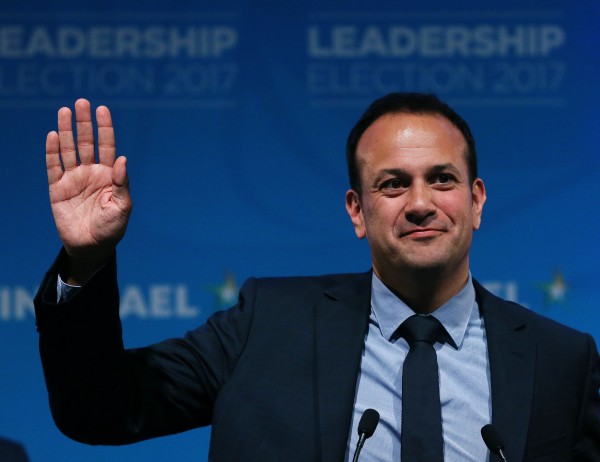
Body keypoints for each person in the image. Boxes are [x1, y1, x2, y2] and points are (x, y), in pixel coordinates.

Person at [35, 93, 600, 461]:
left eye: (443, 179)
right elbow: (100, 410)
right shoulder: (266, 323)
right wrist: (84, 263)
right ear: (357, 211)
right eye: (393, 184)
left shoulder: (562, 361)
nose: (421, 203)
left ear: (476, 201)